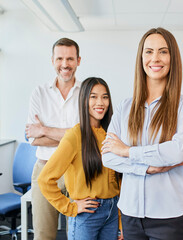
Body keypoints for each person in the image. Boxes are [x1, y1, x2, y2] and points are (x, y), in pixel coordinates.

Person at [101, 27, 183, 240]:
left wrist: (128, 151)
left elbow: (177, 151)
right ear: (141, 57)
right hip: (130, 213)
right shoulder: (125, 106)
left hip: (171, 215)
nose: (155, 58)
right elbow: (108, 156)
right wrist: (147, 168)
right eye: (149, 51)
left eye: (163, 51)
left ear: (173, 58)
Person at [38, 77, 123, 240]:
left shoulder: (112, 135)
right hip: (87, 215)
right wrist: (70, 208)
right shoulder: (74, 136)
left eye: (105, 97)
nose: (100, 102)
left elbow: (117, 182)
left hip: (112, 213)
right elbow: (45, 179)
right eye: (93, 96)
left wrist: (120, 221)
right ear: (84, 100)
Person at [25, 38, 81, 240]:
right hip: (45, 169)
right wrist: (72, 137)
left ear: (78, 61)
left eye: (70, 59)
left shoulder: (87, 93)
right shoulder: (38, 93)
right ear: (52, 60)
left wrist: (44, 129)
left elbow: (85, 138)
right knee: (43, 233)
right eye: (60, 58)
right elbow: (33, 139)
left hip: (77, 170)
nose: (64, 64)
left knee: (77, 232)